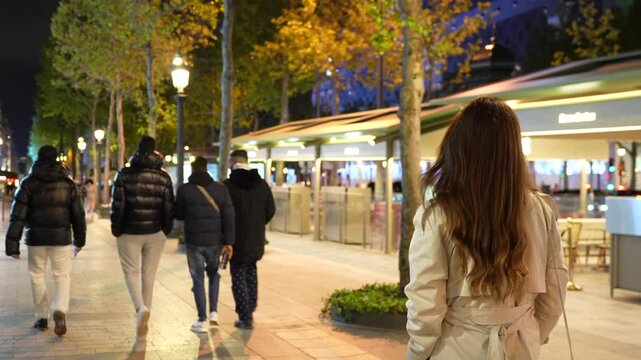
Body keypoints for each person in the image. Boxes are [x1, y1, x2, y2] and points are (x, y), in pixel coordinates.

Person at [405, 97, 568, 360]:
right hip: (521, 344)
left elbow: (426, 301)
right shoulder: (540, 210)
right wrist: (533, 332)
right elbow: (555, 289)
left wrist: (417, 352)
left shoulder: (438, 214)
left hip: (456, 347)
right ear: (513, 150)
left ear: (458, 147)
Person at [5, 145, 86, 336]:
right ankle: (59, 308)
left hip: (36, 239)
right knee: (62, 276)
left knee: (37, 275)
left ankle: (41, 317)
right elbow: (78, 215)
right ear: (56, 159)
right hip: (61, 239)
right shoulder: (68, 184)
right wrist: (79, 241)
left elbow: (17, 215)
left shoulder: (28, 183)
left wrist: (12, 245)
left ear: (38, 159)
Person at [110, 136, 174, 337]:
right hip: (155, 232)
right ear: (155, 152)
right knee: (149, 275)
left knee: (131, 272)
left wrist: (116, 229)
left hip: (129, 232)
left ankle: (140, 309)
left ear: (136, 151)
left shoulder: (124, 175)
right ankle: (145, 315)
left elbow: (117, 206)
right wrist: (165, 230)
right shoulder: (164, 177)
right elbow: (169, 207)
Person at [175, 156, 235, 333]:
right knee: (214, 275)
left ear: (193, 170)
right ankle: (214, 313)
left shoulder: (185, 190)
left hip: (194, 241)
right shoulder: (220, 189)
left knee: (198, 279)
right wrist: (229, 242)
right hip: (215, 242)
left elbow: (178, 214)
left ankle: (202, 319)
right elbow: (229, 216)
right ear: (206, 168)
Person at [224, 150, 275, 329]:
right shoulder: (261, 184)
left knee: (237, 274)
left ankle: (245, 316)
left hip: (235, 239)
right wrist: (258, 224)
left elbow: (223, 213)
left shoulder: (228, 186)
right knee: (251, 272)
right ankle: (250, 308)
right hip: (255, 239)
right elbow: (271, 210)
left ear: (232, 162)